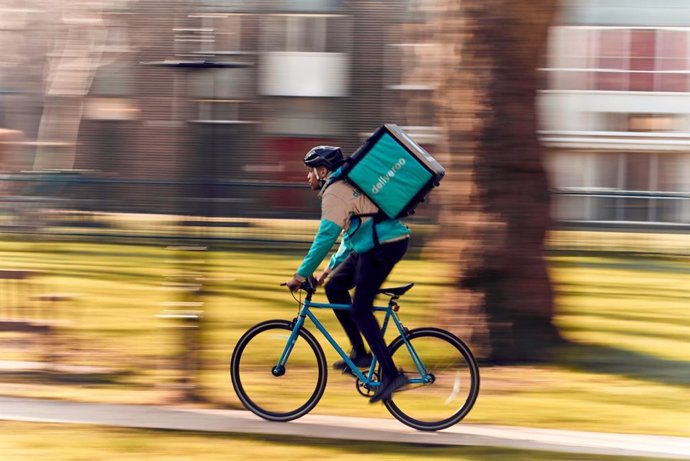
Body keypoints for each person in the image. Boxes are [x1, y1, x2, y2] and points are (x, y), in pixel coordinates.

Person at [285, 145, 411, 403]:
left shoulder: (335, 191)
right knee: (334, 287)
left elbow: (325, 237)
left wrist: (300, 275)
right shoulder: (344, 185)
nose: (307, 177)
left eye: (310, 171)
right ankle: (361, 353)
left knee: (361, 310)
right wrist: (328, 270)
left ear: (322, 170)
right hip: (372, 244)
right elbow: (352, 233)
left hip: (383, 246)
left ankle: (391, 375)